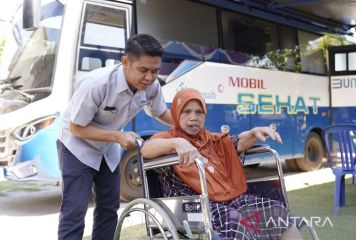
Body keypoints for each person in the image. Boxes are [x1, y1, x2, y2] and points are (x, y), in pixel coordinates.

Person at [141, 88, 303, 240]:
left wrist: (253, 133)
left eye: (199, 112)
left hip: (227, 199)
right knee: (235, 221)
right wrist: (176, 143)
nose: (193, 117)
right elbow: (146, 149)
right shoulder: (168, 137)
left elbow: (235, 142)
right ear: (176, 114)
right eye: (186, 112)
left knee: (277, 212)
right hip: (192, 206)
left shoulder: (211, 139)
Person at [57, 34, 173, 240]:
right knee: (75, 211)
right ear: (125, 62)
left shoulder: (152, 86)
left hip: (107, 147)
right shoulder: (97, 84)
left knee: (109, 208)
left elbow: (160, 112)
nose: (149, 77)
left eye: (155, 71)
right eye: (143, 70)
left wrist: (188, 124)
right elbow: (76, 127)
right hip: (76, 146)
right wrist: (117, 136)